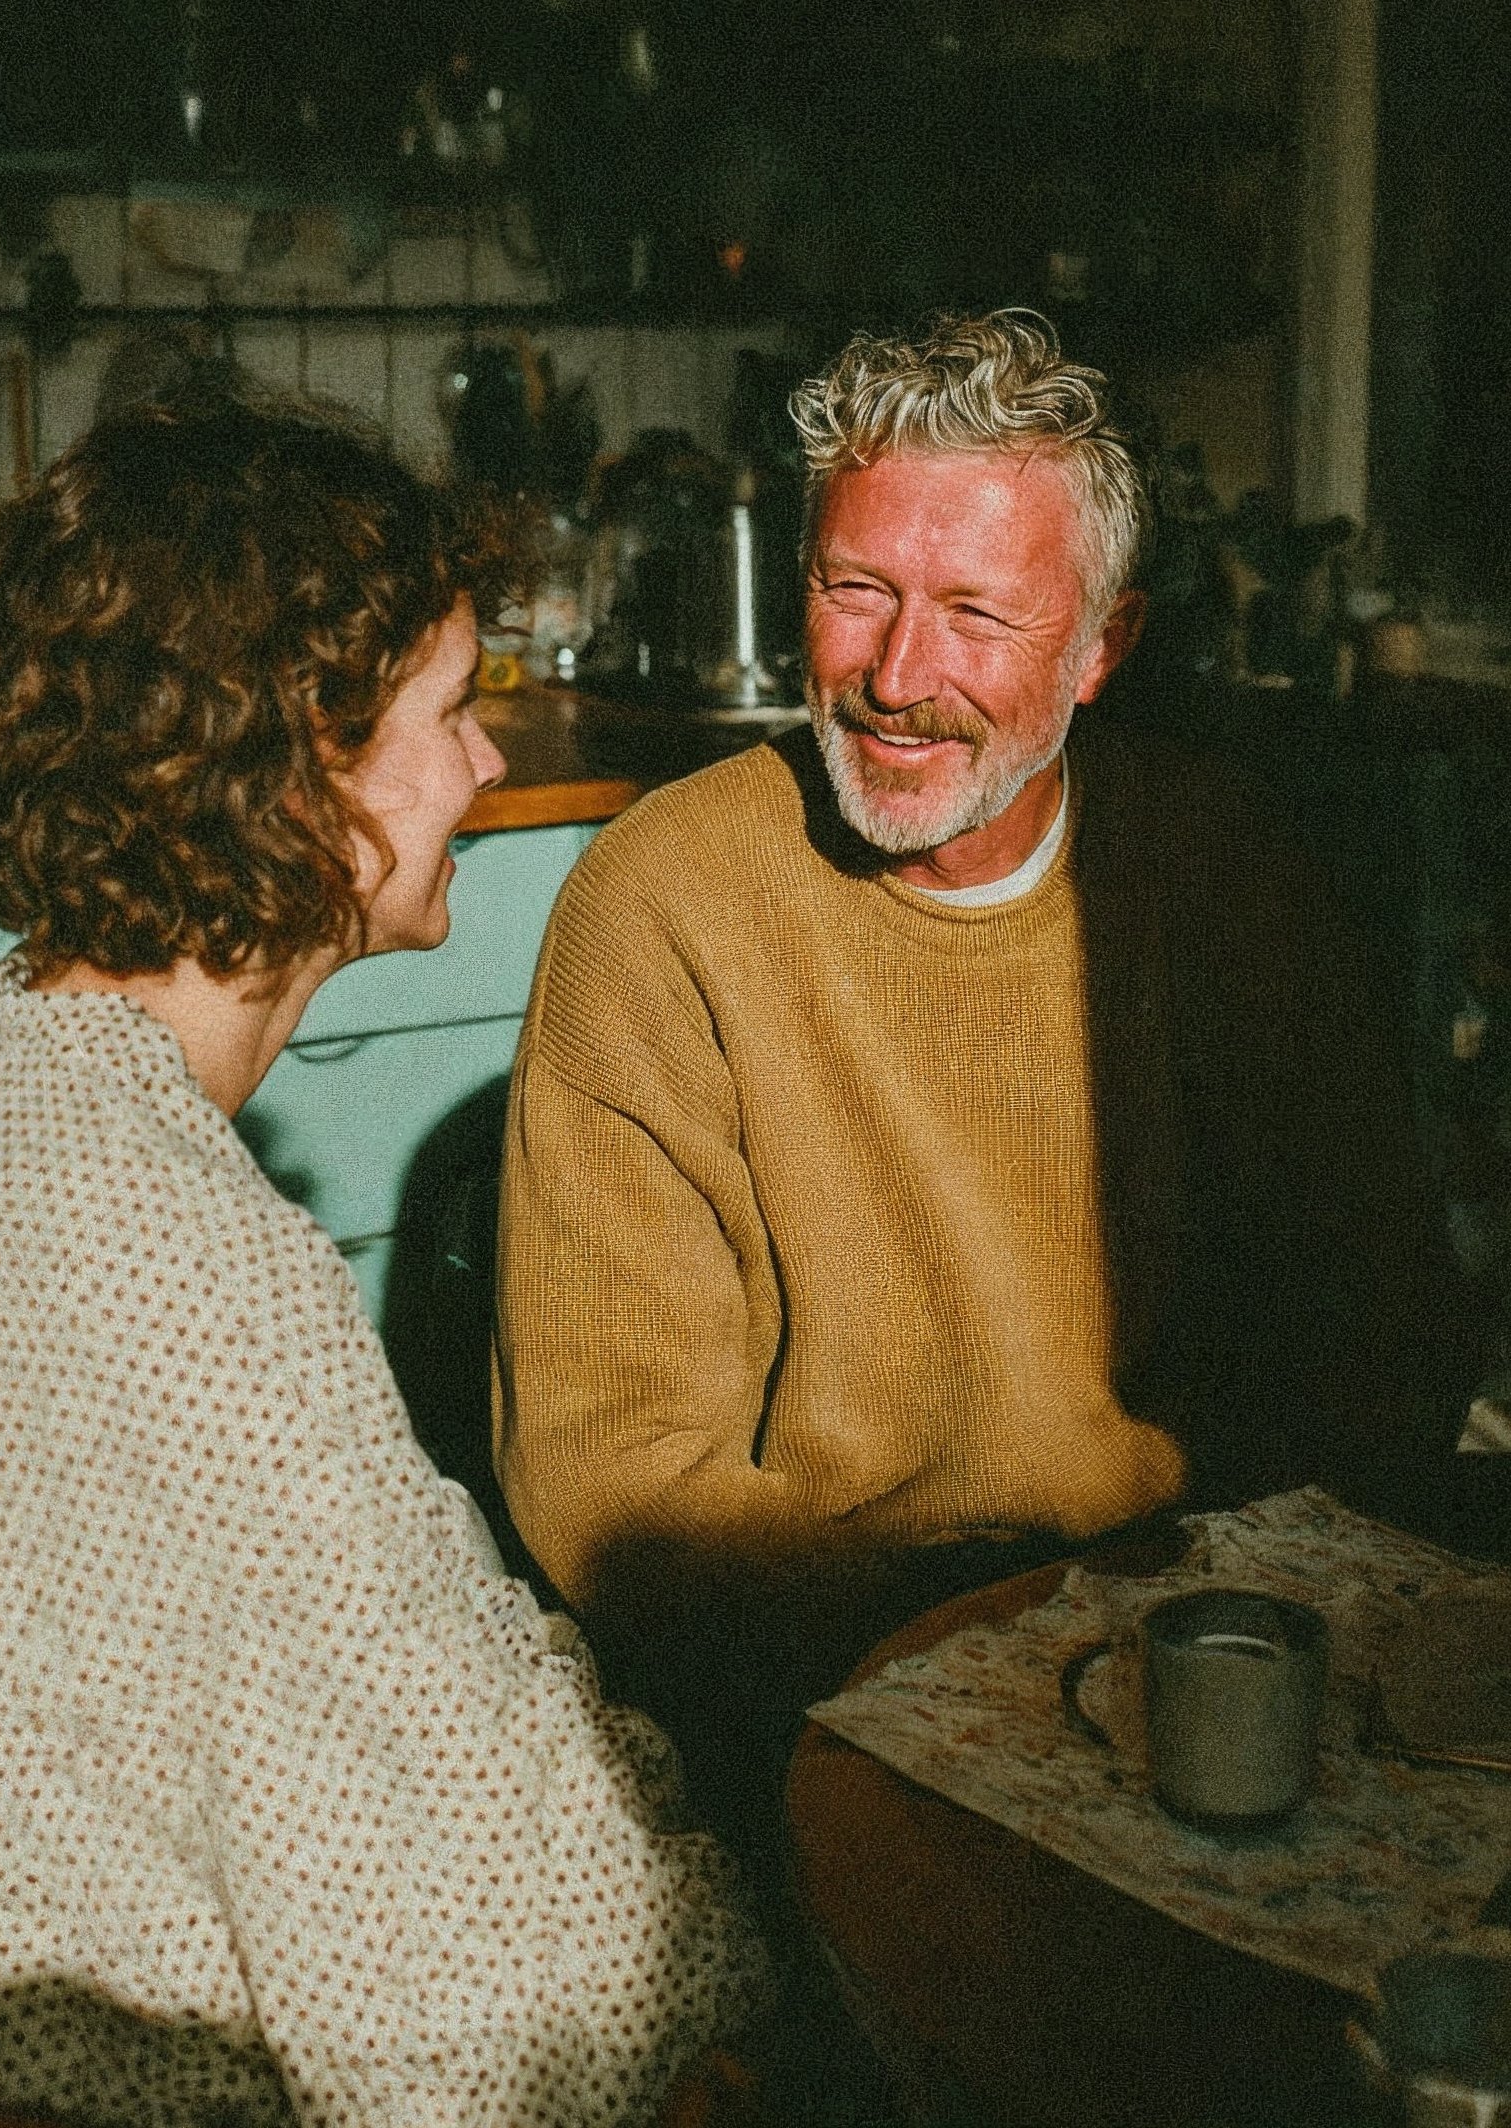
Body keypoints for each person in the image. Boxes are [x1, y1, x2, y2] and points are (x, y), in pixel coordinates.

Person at [493, 311, 1488, 1841]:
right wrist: (973, 1665)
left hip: (1203, 1637)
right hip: (830, 1683)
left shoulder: (1224, 877)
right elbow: (612, 1473)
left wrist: (1192, 1634)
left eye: (977, 613)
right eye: (856, 590)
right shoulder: (659, 904)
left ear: (1102, 649)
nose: (899, 676)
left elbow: (1385, 1339)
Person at [0, 384, 769, 2128]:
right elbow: (450, 1991)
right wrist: (719, 1963)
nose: (489, 765)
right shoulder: (187, 1275)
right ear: (304, 768)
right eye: (452, 712)